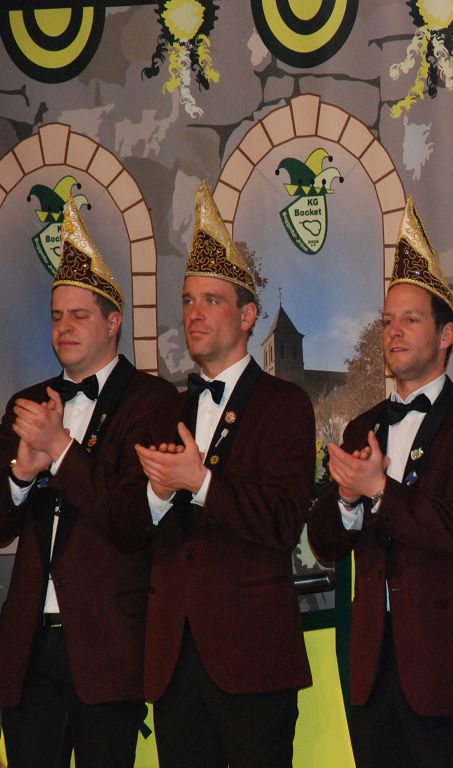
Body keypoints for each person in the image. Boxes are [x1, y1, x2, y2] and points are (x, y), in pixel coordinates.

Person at [308, 197, 453, 768]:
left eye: (411, 319)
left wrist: (380, 490)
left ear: (447, 334)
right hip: (372, 669)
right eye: (388, 321)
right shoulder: (363, 426)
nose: (394, 332)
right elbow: (324, 543)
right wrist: (348, 500)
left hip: (445, 671)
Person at [119, 181, 315, 768]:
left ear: (248, 316)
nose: (194, 314)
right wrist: (157, 495)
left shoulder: (284, 404)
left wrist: (201, 483)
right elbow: (127, 528)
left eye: (210, 300)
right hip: (173, 659)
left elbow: (283, 522)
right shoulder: (163, 410)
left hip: (253, 658)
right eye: (187, 300)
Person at [0, 200, 175, 768]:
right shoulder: (26, 404)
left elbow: (131, 520)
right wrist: (21, 474)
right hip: (27, 649)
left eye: (78, 315)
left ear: (113, 322)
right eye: (57, 316)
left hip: (109, 647)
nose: (64, 328)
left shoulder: (153, 402)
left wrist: (61, 450)